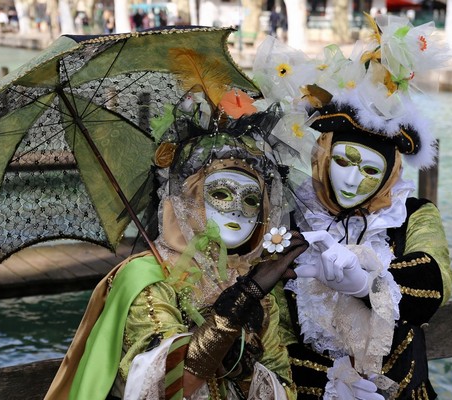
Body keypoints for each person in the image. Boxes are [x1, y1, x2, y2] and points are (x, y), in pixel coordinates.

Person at [45, 58, 313, 399]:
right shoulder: (148, 279)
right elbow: (168, 387)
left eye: (250, 199)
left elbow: (284, 390)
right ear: (190, 200)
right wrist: (238, 304)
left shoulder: (251, 280)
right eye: (220, 193)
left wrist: (244, 365)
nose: (236, 209)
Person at [252, 14, 452, 399]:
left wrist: (367, 283)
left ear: (389, 174)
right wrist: (328, 384)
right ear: (324, 157)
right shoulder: (290, 218)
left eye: (370, 169)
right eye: (343, 161)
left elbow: (435, 282)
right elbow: (274, 325)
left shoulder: (413, 214)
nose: (351, 179)